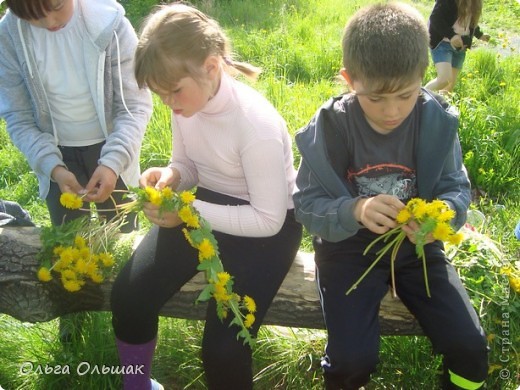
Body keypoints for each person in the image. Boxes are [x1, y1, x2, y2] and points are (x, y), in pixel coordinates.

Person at [293, 3, 488, 389]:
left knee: (470, 347)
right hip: (348, 245)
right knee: (352, 359)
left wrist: (443, 216)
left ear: (424, 75)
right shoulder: (331, 126)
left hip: (416, 244)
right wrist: (355, 209)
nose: (392, 111)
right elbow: (306, 205)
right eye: (376, 99)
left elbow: (456, 187)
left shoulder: (435, 120)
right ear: (350, 79)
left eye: (405, 95)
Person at [110, 3, 302, 389]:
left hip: (268, 228)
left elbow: (267, 220)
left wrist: (188, 209)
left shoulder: (255, 125)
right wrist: (172, 175)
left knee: (223, 350)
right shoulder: (185, 101)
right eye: (161, 95)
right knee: (129, 297)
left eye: (174, 92)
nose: (170, 104)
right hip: (207, 205)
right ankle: (138, 384)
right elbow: (189, 162)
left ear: (211, 67)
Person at [0, 0, 152, 341]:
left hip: (113, 147)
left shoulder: (110, 26)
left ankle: (126, 324)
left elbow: (135, 106)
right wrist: (53, 167)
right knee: (68, 243)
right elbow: (18, 117)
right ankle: (74, 326)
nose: (50, 21)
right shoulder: (9, 36)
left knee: (122, 240)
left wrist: (112, 162)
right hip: (56, 157)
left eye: (55, 7)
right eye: (34, 16)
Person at [425, 0, 490, 92]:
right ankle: (417, 99)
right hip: (442, 43)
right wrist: (452, 35)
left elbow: (470, 20)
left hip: (460, 46)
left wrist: (480, 35)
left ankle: (440, 105)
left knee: (449, 85)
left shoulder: (475, 2)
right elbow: (435, 18)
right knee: (444, 80)